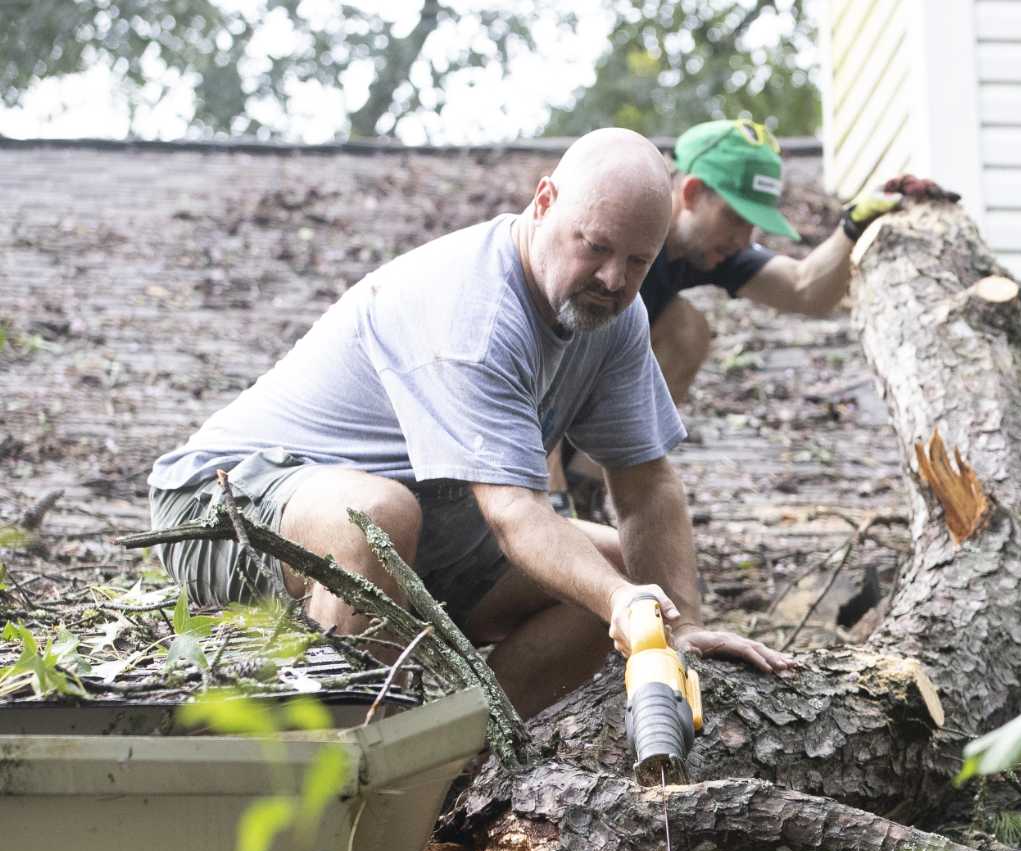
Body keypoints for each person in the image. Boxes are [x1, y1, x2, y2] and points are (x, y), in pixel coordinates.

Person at [145, 127, 794, 719]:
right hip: (224, 505)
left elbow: (647, 482)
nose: (612, 279)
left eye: (638, 264)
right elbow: (514, 513)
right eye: (594, 247)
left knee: (616, 567)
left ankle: (462, 758)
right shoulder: (477, 313)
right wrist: (624, 606)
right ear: (544, 202)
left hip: (428, 528)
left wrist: (678, 626)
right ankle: (354, 766)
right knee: (375, 517)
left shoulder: (614, 318)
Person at [548, 118, 954, 510]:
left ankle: (588, 489)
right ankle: (565, 498)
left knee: (687, 330)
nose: (743, 238)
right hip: (516, 436)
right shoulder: (602, 241)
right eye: (735, 217)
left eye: (752, 223)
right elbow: (530, 373)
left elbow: (805, 290)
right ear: (691, 193)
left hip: (575, 430)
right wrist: (551, 499)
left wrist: (853, 226)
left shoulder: (705, 248)